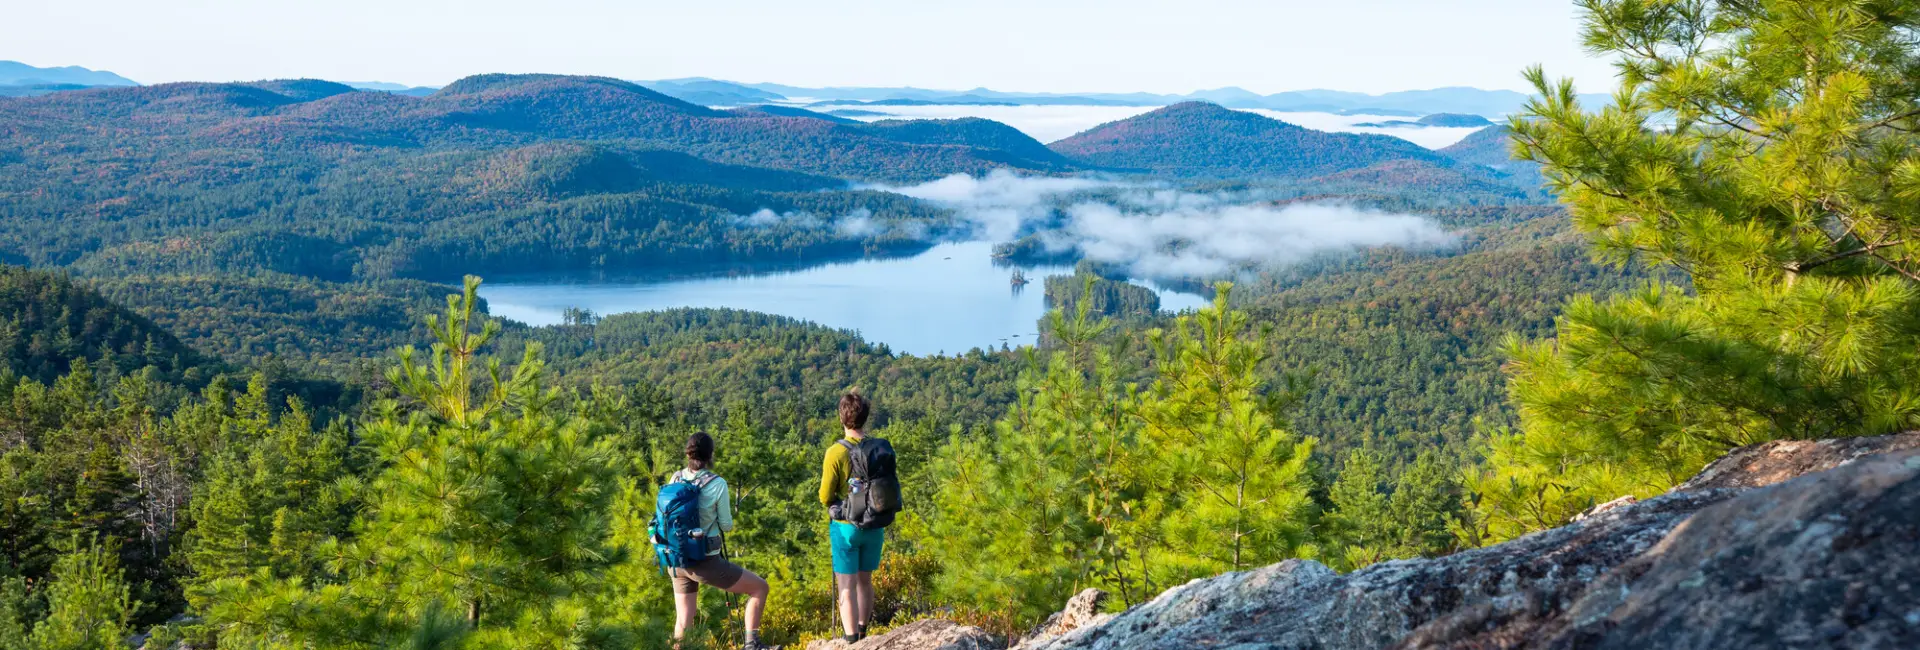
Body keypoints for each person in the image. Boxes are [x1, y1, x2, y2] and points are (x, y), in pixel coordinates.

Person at [670, 432, 771, 650]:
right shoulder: (717, 484)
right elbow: (726, 525)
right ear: (710, 456)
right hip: (704, 562)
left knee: (682, 621)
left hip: (677, 560)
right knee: (760, 588)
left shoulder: (675, 478)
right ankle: (752, 644)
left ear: (688, 453)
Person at [819, 391, 885, 643]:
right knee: (865, 583)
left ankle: (852, 641)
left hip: (846, 526)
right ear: (865, 418)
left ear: (841, 418)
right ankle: (864, 632)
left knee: (846, 586)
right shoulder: (879, 448)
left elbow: (825, 496)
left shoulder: (835, 453)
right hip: (875, 524)